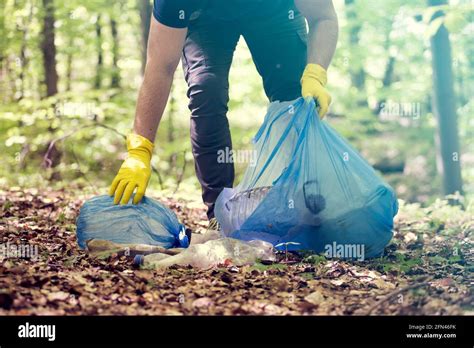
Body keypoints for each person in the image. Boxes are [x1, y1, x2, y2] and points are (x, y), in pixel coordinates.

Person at [109, 0, 339, 225]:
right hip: (206, 21)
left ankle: (305, 202)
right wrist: (140, 150)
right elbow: (160, 66)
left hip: (274, 13)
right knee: (206, 89)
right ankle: (220, 213)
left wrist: (315, 74)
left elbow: (323, 17)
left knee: (294, 91)